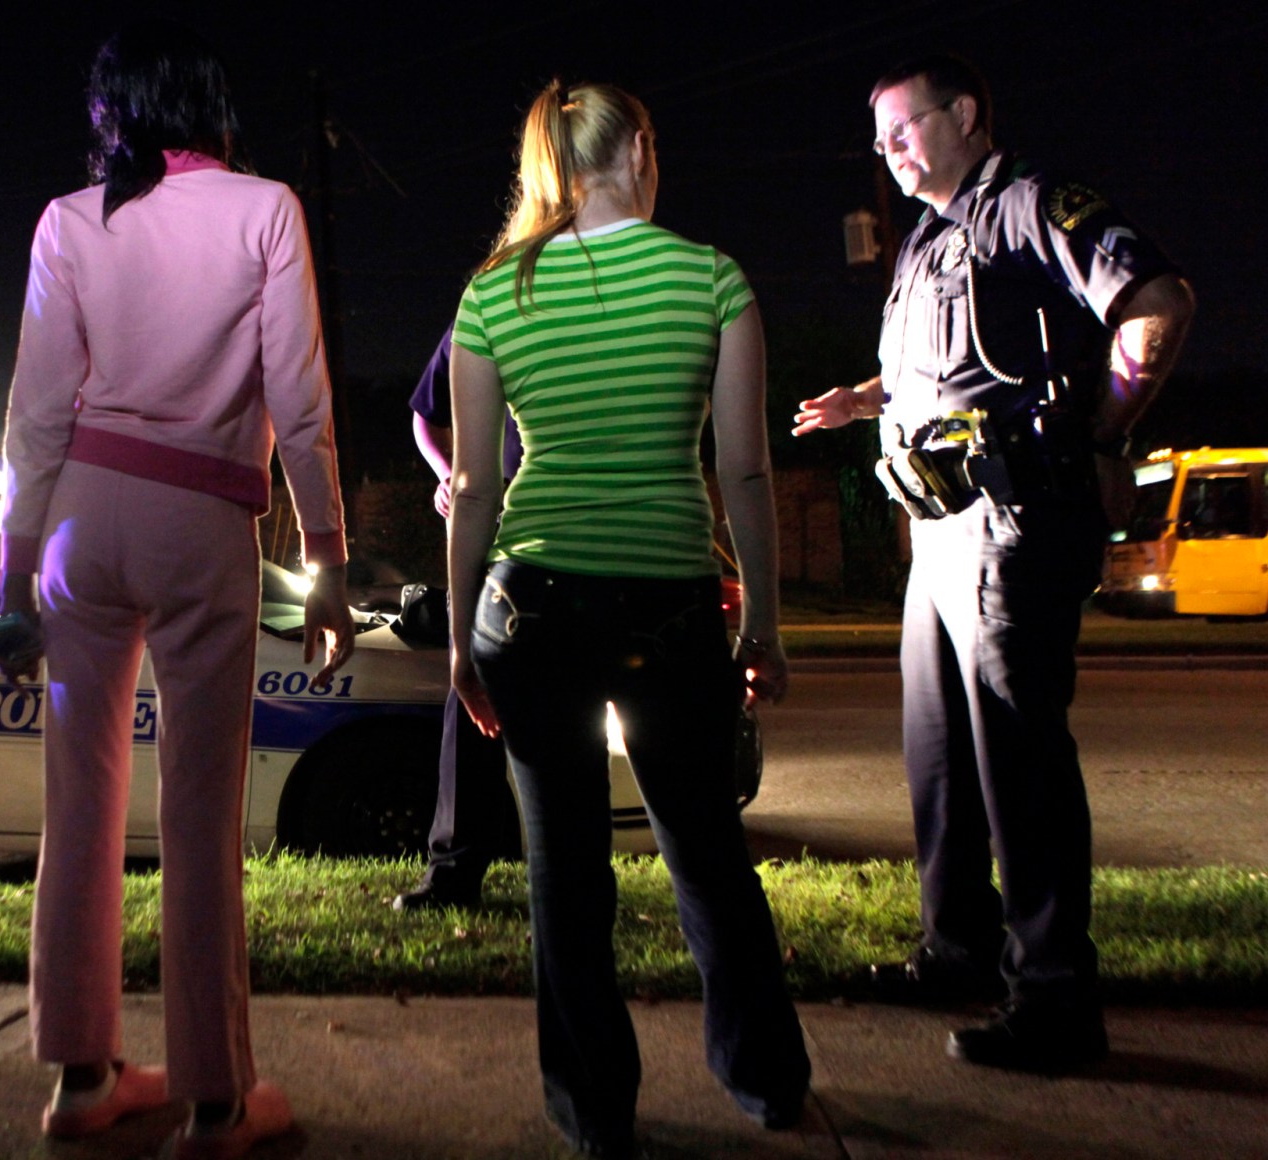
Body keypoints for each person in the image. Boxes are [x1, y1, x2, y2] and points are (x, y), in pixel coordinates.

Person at [793, 54, 1194, 1071]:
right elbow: (950, 366)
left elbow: (1155, 301)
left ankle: (1054, 995)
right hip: (935, 532)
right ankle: (956, 949)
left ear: (963, 114)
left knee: (1017, 756)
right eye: (875, 136)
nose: (885, 150)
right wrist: (861, 401)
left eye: (901, 126)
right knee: (937, 757)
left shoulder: (1025, 203)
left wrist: (1095, 433)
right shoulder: (928, 236)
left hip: (1009, 524)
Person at [0, 23, 354, 1160]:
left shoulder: (70, 219)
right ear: (209, 102)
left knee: (78, 807)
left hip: (78, 521)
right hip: (202, 519)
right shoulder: (264, 208)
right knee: (199, 816)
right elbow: (297, 396)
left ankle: (80, 1075)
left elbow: (36, 407)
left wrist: (11, 566)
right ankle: (212, 1097)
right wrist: (329, 555)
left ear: (114, 114)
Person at [447, 80, 811, 1157]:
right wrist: (765, 626)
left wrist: (467, 635)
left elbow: (471, 484)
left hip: (529, 601)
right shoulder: (710, 278)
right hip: (670, 600)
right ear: (639, 148)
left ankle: (594, 1108)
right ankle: (766, 1078)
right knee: (704, 847)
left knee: (563, 867)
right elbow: (742, 467)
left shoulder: (491, 292)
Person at [393, 324, 522, 911]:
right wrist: (447, 473)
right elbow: (424, 414)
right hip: (491, 536)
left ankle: (571, 881)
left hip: (569, 536)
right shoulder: (489, 304)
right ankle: (453, 875)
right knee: (470, 707)